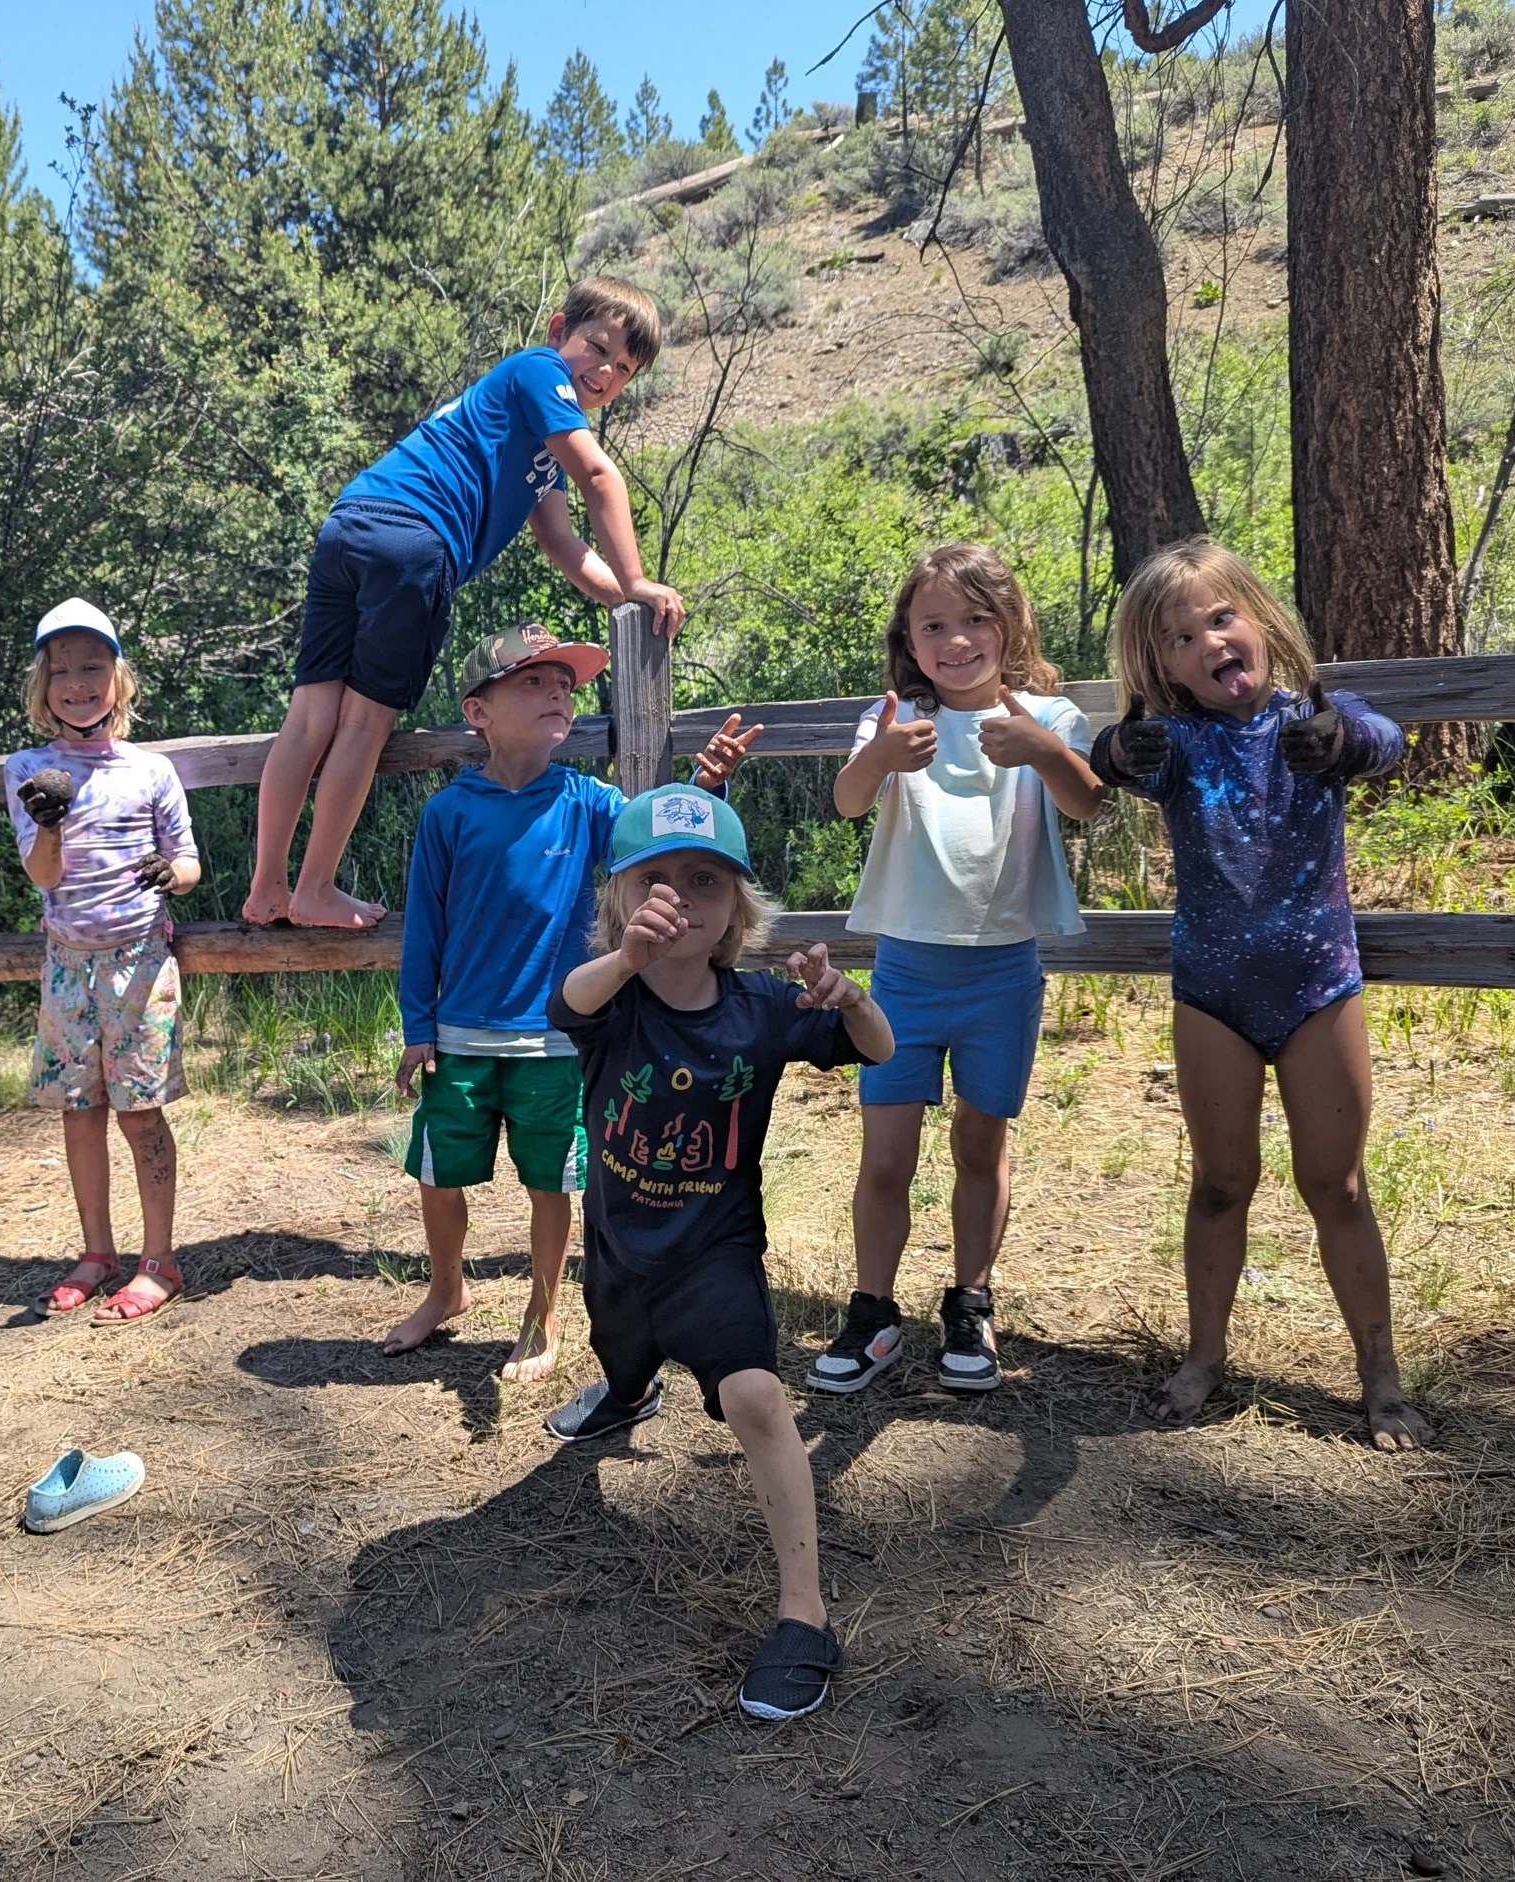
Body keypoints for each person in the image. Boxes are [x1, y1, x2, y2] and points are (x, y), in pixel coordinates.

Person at [543, 785, 893, 1723]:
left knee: (756, 1394)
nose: (681, 898)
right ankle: (627, 1392)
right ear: (618, 900)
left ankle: (804, 1615)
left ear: (739, 907)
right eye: (655, 878)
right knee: (619, 1352)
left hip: (715, 1252)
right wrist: (626, 958)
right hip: (620, 1246)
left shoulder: (764, 1008)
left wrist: (849, 999)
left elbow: (880, 1046)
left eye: (706, 879)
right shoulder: (611, 998)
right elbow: (567, 1000)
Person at [1091, 537, 1433, 1450]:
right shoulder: (1176, 743)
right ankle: (1206, 1356)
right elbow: (1110, 762)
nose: (1206, 641)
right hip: (1212, 998)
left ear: (1260, 621)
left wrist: (1344, 740)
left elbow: (1387, 742)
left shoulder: (1317, 723)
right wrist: (1119, 745)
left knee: (1337, 1183)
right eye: (1177, 637)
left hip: (1320, 987)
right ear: (1157, 664)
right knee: (1219, 1184)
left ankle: (1381, 1378)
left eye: (1218, 618)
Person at [241, 277, 687, 933]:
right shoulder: (539, 373)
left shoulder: (537, 444)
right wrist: (641, 576)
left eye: (623, 369)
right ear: (559, 329)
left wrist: (631, 595)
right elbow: (602, 475)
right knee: (362, 727)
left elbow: (562, 544)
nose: (604, 372)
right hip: (413, 542)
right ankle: (313, 889)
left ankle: (267, 890)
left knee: (311, 717)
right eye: (597, 348)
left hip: (352, 523)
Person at [389, 623, 763, 1381]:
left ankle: (542, 1309)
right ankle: (446, 1289)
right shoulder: (449, 813)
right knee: (438, 1171)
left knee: (551, 1180)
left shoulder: (589, 803)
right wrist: (418, 1024)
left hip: (560, 1038)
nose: (557, 693)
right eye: (532, 681)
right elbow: (424, 924)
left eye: (565, 683)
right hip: (462, 1032)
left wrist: (705, 788)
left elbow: (653, 838)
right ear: (478, 710)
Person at [811, 544, 1104, 1397]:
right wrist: (881, 757)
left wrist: (1042, 748)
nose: (958, 639)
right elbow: (848, 801)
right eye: (935, 623)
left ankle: (970, 1302)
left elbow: (1085, 801)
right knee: (885, 1156)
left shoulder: (1047, 713)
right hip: (903, 972)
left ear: (1008, 625)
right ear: (909, 635)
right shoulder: (897, 715)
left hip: (1004, 972)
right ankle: (872, 1313)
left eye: (977, 619)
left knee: (983, 1143)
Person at [7, 600, 202, 1327]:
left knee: (140, 1114)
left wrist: (169, 875)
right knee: (79, 1112)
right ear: (43, 685)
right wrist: (51, 825)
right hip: (67, 967)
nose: (78, 683)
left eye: (93, 667)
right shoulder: (27, 769)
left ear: (118, 679)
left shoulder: (149, 771)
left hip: (140, 964)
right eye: (62, 670)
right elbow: (44, 875)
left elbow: (188, 861)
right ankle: (98, 1252)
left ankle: (160, 1261)